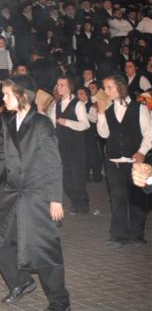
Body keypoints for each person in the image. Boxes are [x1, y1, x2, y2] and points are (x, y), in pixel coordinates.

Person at [0, 75, 70, 311]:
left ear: (22, 96)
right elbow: (0, 159)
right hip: (13, 193)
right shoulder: (8, 122)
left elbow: (54, 163)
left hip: (38, 195)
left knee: (43, 248)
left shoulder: (42, 125)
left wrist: (55, 199)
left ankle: (59, 299)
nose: (3, 98)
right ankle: (20, 282)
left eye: (7, 94)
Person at [94, 74, 151, 247]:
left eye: (109, 87)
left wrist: (142, 152)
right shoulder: (107, 108)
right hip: (114, 161)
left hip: (135, 163)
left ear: (120, 87)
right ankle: (118, 236)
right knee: (118, 198)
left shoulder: (138, 108)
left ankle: (136, 235)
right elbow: (103, 134)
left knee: (137, 200)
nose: (105, 91)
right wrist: (101, 113)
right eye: (104, 88)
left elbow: (149, 133)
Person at [45, 76, 89, 214]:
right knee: (66, 179)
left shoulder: (78, 104)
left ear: (69, 87)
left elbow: (85, 124)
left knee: (77, 177)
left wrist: (68, 122)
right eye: (58, 85)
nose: (59, 87)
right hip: (61, 147)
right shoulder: (57, 104)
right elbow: (51, 124)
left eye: (62, 85)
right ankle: (75, 201)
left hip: (76, 147)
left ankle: (82, 205)